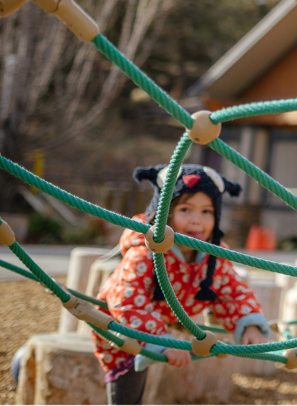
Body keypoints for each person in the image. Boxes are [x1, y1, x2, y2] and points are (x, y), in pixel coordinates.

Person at [92, 164, 271, 404]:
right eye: (185, 209)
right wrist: (161, 340)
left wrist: (248, 323)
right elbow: (125, 299)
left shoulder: (213, 257)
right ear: (164, 214)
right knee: (128, 379)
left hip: (172, 320)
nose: (197, 220)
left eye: (207, 212)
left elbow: (233, 292)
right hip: (121, 322)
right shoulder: (145, 253)